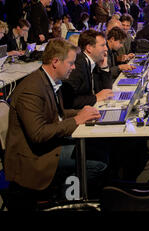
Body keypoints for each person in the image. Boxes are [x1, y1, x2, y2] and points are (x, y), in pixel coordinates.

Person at [4, 38, 103, 211]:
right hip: (35, 157)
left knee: (99, 147)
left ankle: (72, 194)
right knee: (97, 162)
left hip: (47, 145)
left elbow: (58, 115)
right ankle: (69, 199)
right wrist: (76, 120)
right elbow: (39, 134)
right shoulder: (32, 89)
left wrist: (80, 113)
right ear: (55, 62)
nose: (73, 67)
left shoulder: (47, 80)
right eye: (71, 63)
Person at [61, 30, 113, 109]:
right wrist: (95, 98)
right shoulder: (78, 64)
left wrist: (104, 67)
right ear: (89, 48)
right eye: (102, 45)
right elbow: (67, 101)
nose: (106, 49)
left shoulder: (92, 63)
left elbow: (107, 90)